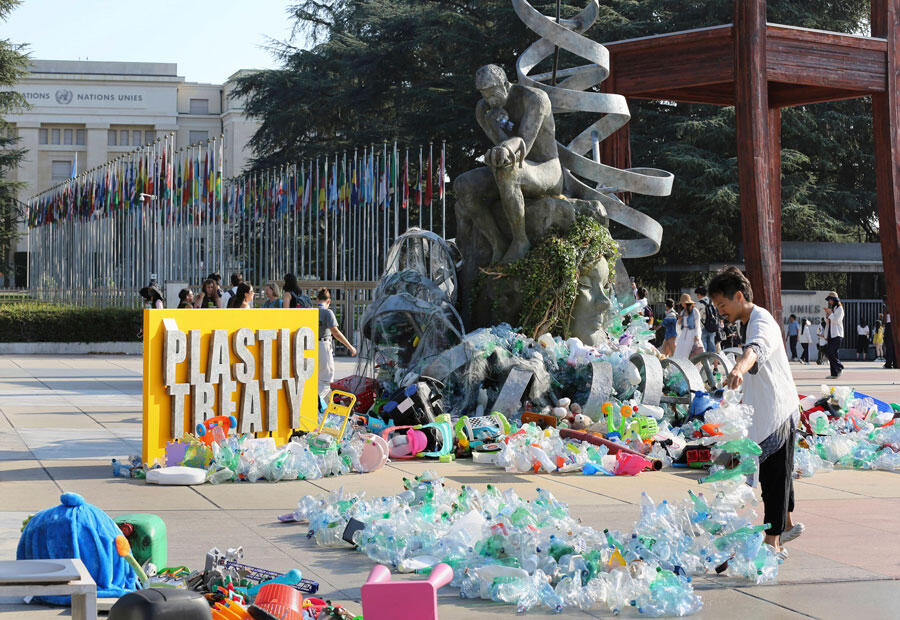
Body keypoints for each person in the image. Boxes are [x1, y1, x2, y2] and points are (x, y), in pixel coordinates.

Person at [708, 266, 802, 558]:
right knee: (777, 474)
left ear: (738, 296)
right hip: (767, 409)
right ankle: (785, 523)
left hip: (776, 411)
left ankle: (773, 542)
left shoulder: (761, 321)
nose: (721, 312)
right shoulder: (748, 321)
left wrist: (737, 367)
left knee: (774, 477)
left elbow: (755, 350)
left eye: (723, 305)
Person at [454, 64, 565, 264]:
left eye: (492, 92)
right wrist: (494, 126)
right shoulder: (484, 109)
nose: (489, 99)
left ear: (505, 84)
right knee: (464, 185)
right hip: (517, 165)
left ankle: (520, 241)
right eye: (484, 94)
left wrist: (503, 148)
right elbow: (500, 148)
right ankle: (498, 244)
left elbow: (523, 146)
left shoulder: (534, 99)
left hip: (545, 167)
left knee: (507, 171)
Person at [316, 289, 357, 398]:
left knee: (315, 379)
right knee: (326, 380)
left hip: (309, 346)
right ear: (328, 301)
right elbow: (336, 332)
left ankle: (323, 409)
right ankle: (316, 404)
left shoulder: (310, 311)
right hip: (323, 346)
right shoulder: (327, 312)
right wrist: (350, 347)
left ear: (317, 300)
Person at [674, 293, 702, 359]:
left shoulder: (695, 311)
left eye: (683, 303)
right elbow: (679, 326)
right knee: (679, 352)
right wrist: (679, 321)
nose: (682, 304)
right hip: (683, 334)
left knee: (692, 353)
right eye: (682, 303)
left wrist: (697, 335)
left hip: (692, 334)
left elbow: (697, 325)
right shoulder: (682, 312)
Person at [825, 291, 844, 379]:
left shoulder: (840, 309)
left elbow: (836, 320)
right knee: (832, 353)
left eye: (830, 300)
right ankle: (834, 373)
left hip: (837, 334)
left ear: (834, 300)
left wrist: (830, 313)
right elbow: (830, 322)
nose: (829, 301)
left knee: (831, 353)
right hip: (831, 334)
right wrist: (828, 315)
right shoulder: (834, 308)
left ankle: (839, 367)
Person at [695, 285, 719, 353]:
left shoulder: (698, 304)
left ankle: (705, 361)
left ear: (699, 294)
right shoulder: (712, 302)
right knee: (712, 344)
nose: (697, 296)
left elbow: (696, 316)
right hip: (712, 326)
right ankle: (711, 361)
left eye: (697, 294)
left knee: (703, 345)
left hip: (703, 327)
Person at [883, 296, 897, 369]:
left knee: (889, 346)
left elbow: (885, 320)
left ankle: (888, 363)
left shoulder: (886, 307)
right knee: (895, 346)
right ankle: (896, 363)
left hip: (889, 327)